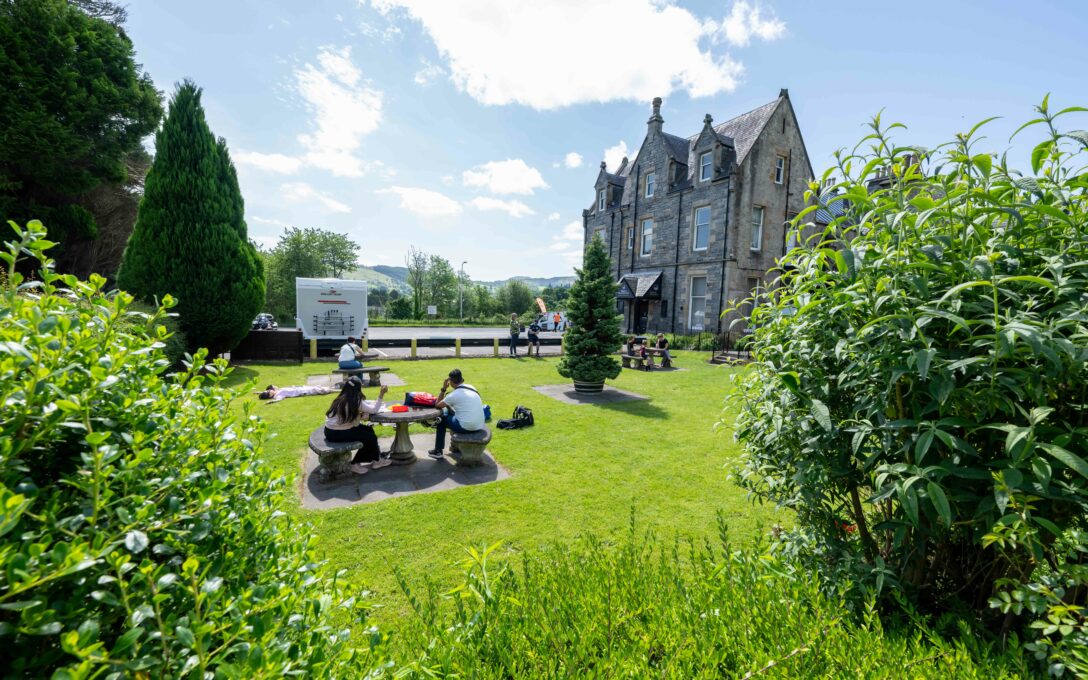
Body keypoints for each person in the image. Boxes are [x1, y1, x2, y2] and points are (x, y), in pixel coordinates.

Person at [324, 377, 391, 474]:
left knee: (368, 430)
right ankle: (355, 464)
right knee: (369, 438)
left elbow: (345, 417)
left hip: (330, 431)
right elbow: (374, 410)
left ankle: (377, 460)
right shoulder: (355, 401)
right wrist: (381, 394)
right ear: (358, 388)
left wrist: (359, 415)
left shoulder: (340, 398)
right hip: (338, 432)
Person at [428, 369, 485, 458]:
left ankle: (438, 451)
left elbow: (438, 405)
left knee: (441, 420)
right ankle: (455, 446)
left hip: (466, 427)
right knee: (448, 414)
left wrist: (443, 389)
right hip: (479, 425)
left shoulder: (454, 395)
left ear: (450, 382)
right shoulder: (471, 387)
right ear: (462, 379)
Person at [258, 384, 336, 402]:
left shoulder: (277, 390)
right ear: (270, 395)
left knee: (319, 387)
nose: (270, 390)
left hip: (301, 388)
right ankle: (338, 390)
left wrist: (259, 392)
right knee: (321, 390)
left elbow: (272, 385)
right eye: (268, 392)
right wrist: (271, 401)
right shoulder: (278, 395)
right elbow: (278, 399)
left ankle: (337, 389)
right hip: (303, 392)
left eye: (268, 390)